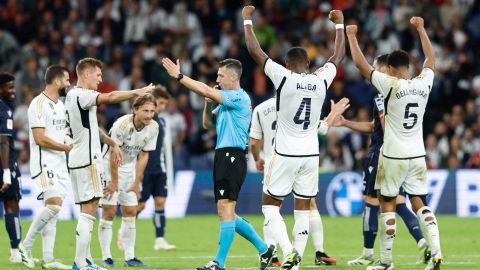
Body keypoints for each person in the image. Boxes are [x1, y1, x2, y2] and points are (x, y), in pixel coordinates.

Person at [242, 5, 345, 269]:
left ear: (287, 65)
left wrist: (247, 21)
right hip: (311, 154)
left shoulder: (284, 77)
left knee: (270, 207)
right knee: (304, 209)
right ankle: (296, 262)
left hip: (286, 152)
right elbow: (338, 55)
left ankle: (289, 252)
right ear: (309, 64)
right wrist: (339, 25)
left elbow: (256, 52)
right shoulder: (321, 79)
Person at [346, 17, 442, 270]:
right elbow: (430, 60)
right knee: (420, 202)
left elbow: (359, 64)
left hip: (392, 155)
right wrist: (421, 28)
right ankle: (436, 252)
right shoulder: (423, 83)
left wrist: (352, 36)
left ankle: (386, 262)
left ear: (389, 68)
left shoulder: (388, 85)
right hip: (418, 155)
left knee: (387, 205)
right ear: (409, 67)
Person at [162, 57, 275, 270]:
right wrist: (208, 104)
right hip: (224, 156)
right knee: (227, 212)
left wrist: (179, 76)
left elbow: (205, 89)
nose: (217, 79)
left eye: (221, 75)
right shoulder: (226, 101)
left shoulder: (238, 97)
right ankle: (264, 249)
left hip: (233, 156)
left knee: (226, 209)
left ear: (233, 77)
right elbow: (207, 124)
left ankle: (218, 263)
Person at [332, 55, 431, 267]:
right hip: (403, 154)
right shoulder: (399, 90)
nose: (373, 70)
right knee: (399, 201)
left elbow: (385, 126)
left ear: (385, 68)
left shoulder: (382, 93)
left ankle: (369, 253)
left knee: (372, 202)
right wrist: (346, 123)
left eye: (376, 66)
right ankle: (422, 241)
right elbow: (373, 126)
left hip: (382, 152)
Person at [64, 57, 154, 270]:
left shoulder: (71, 97)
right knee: (90, 211)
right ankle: (81, 263)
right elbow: (111, 96)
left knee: (86, 211)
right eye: (97, 74)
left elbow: (93, 128)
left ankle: (85, 261)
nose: (100, 79)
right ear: (85, 74)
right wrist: (136, 92)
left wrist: (111, 142)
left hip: (78, 159)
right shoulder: (82, 94)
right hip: (88, 160)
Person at [249, 96, 350, 267]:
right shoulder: (298, 103)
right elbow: (323, 128)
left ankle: (272, 252)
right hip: (304, 159)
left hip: (276, 161)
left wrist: (257, 159)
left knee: (271, 207)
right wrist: (333, 114)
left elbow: (253, 142)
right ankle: (318, 252)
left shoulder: (261, 108)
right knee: (308, 206)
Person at [19, 65, 72, 270]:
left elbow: (62, 132)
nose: (69, 84)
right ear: (57, 81)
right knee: (54, 205)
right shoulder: (38, 104)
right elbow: (39, 138)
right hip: (44, 163)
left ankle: (48, 260)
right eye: (67, 80)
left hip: (60, 164)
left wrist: (71, 142)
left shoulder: (60, 105)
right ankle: (26, 245)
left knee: (53, 214)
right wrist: (66, 147)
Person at [98, 94, 160, 268]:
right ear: (135, 109)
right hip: (109, 168)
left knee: (131, 211)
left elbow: (144, 154)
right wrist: (114, 183)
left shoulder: (154, 127)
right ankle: (106, 257)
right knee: (109, 213)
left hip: (129, 170)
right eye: (145, 110)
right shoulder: (122, 125)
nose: (149, 115)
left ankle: (130, 257)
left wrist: (136, 181)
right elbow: (112, 154)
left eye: (152, 111)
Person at [136, 85, 176, 251]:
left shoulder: (162, 122)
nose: (162, 107)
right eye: (160, 103)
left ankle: (160, 239)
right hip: (144, 170)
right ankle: (124, 233)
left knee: (160, 202)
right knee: (140, 205)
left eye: (164, 104)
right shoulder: (143, 121)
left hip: (159, 169)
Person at [0, 72, 23, 265]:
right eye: (10, 88)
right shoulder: (3, 109)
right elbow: (4, 142)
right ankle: (16, 251)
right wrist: (7, 172)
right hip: (4, 165)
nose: (13, 91)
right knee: (12, 206)